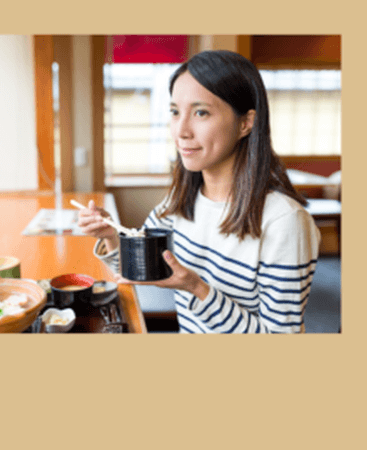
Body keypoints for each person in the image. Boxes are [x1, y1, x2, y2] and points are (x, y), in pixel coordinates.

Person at [77, 50, 321, 333]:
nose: (181, 130)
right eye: (174, 112)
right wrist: (110, 235)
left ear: (246, 123)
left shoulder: (284, 222)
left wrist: (196, 288)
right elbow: (142, 270)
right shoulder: (181, 200)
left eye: (201, 112)